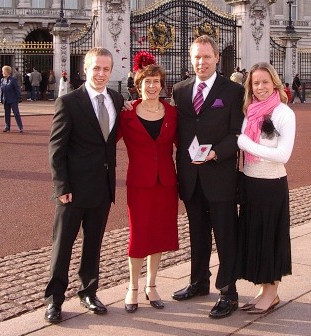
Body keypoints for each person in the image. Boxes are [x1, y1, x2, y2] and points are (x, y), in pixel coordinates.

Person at [44, 47, 125, 324]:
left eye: (106, 69)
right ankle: (54, 299)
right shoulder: (69, 102)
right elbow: (56, 149)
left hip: (102, 187)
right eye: (96, 69)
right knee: (62, 245)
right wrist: (61, 186)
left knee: (94, 244)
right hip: (73, 190)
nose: (101, 74)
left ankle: (88, 291)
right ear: (85, 70)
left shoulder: (116, 97)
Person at [170, 35, 244, 319]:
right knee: (198, 233)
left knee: (225, 235)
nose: (201, 62)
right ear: (191, 59)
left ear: (216, 58)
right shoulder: (180, 89)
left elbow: (237, 134)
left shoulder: (232, 91)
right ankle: (198, 281)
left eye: (206, 57)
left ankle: (229, 291)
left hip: (220, 174)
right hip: (190, 176)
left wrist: (215, 153)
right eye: (197, 57)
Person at [118, 54, 179, 314]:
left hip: (166, 182)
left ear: (162, 85)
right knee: (139, 234)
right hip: (139, 184)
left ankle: (152, 285)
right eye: (147, 82)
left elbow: (186, 145)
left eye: (156, 81)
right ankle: (133, 286)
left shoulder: (173, 113)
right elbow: (104, 144)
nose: (152, 86)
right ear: (138, 85)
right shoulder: (127, 114)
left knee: (160, 234)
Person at [236, 62, 295, 314]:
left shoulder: (283, 113)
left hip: (272, 185)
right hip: (251, 183)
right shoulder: (250, 111)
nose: (260, 87)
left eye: (265, 82)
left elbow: (283, 155)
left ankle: (272, 293)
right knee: (255, 236)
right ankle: (263, 289)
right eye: (255, 83)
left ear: (274, 84)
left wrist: (244, 143)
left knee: (270, 236)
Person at [0, 65, 24, 133]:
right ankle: (7, 127)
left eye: (3, 71)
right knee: (6, 113)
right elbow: (1, 90)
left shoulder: (13, 80)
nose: (2, 73)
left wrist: (19, 97)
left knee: (16, 113)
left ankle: (20, 127)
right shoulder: (2, 80)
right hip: (6, 99)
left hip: (13, 99)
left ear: (7, 72)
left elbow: (17, 89)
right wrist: (1, 98)